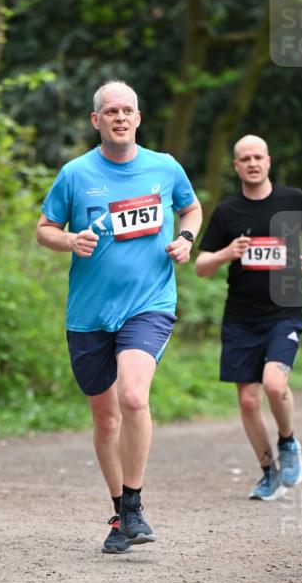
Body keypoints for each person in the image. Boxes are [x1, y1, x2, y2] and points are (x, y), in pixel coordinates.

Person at [37, 81, 202, 552]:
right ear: (97, 120)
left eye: (128, 110)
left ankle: (134, 504)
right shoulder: (75, 174)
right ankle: (120, 515)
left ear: (138, 117)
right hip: (89, 312)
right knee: (106, 419)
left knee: (132, 396)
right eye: (111, 111)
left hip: (149, 303)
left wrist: (186, 240)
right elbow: (44, 229)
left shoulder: (164, 167)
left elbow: (191, 209)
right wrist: (70, 240)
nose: (120, 117)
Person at [195, 134, 302, 500]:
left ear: (268, 161)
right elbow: (201, 266)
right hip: (240, 317)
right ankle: (269, 473)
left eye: (258, 157)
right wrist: (226, 253)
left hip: (285, 312)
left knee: (273, 384)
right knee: (248, 401)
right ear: (236, 166)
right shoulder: (227, 212)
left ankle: (288, 442)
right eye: (245, 159)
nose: (252, 163)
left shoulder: (292, 200)